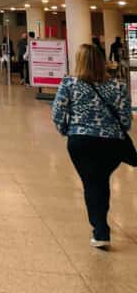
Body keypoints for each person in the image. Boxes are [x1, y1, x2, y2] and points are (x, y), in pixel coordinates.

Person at [53, 44, 132, 248]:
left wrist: (66, 130)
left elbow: (58, 114)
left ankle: (100, 230)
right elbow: (126, 120)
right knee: (100, 180)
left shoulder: (69, 84)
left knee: (92, 183)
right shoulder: (118, 86)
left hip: (82, 141)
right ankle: (100, 223)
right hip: (112, 143)